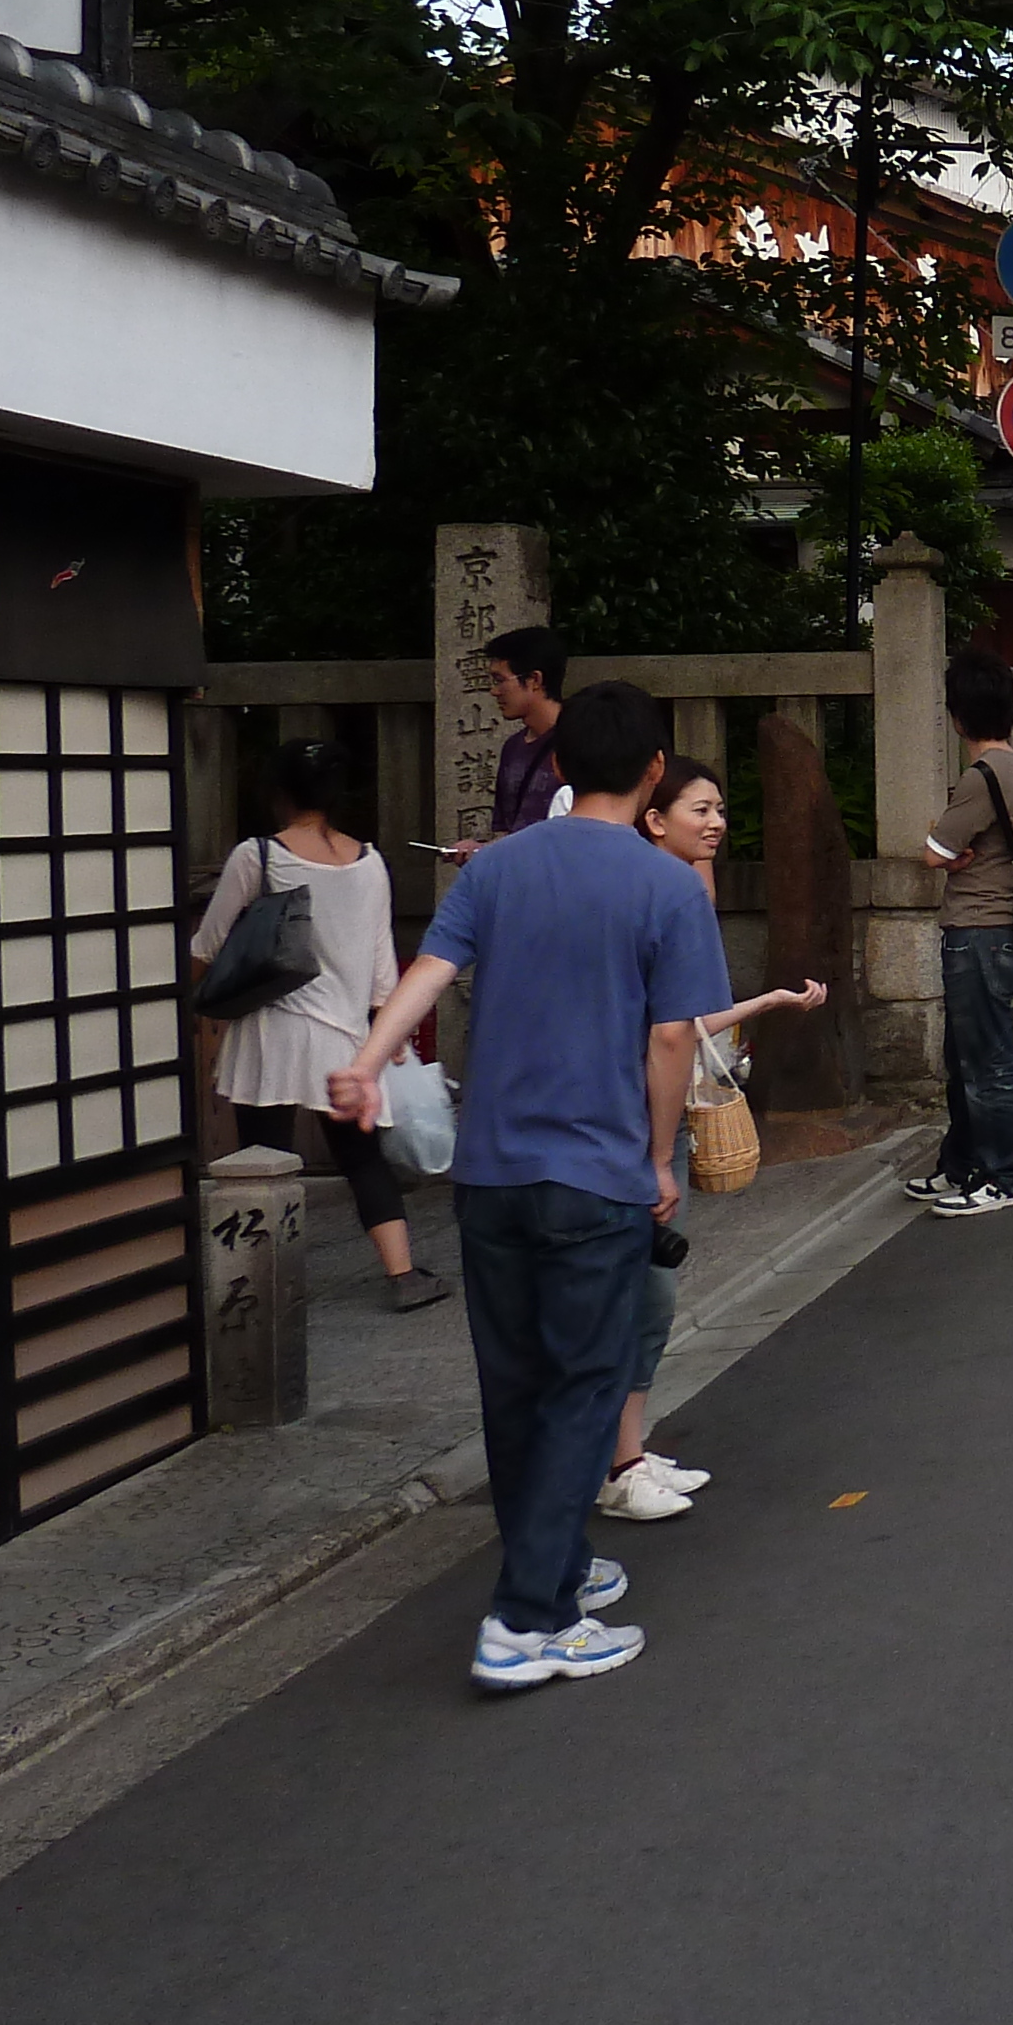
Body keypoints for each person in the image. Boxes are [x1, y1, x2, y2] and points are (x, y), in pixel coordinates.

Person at [331, 680, 727, 1692]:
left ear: (554, 765)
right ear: (652, 776)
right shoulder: (667, 887)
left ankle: (553, 1570)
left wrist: (368, 1062)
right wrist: (654, 1159)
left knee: (515, 1387)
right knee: (586, 1387)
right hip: (594, 1173)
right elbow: (673, 1034)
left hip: (492, 1169)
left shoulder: (498, 868)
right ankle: (528, 1622)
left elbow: (426, 970)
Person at [598, 756, 828, 1523]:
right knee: (641, 1292)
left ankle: (630, 1448)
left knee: (652, 1294)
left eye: (720, 809)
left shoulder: (683, 883)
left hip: (647, 1118)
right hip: (635, 1122)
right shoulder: (653, 892)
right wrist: (767, 1002)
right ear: (654, 819)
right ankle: (617, 1463)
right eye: (700, 810)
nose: (717, 823)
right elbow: (675, 1027)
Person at [188, 739, 446, 1311]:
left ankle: (263, 1283)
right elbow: (384, 972)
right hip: (348, 1042)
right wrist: (389, 1032)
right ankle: (403, 1275)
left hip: (270, 1033)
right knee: (361, 1160)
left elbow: (208, 944)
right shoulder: (371, 861)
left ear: (277, 792)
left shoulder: (259, 855)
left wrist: (195, 991)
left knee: (262, 1160)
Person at [908, 658, 1013, 1219]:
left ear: (958, 718)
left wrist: (948, 850)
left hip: (979, 929)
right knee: (967, 1056)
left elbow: (934, 852)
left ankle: (1002, 1175)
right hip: (996, 927)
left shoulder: (980, 777)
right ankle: (961, 1164)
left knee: (985, 1060)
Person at [480, 628, 567, 842]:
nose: (494, 691)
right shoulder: (512, 747)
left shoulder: (579, 741)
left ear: (534, 680)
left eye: (500, 680)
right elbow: (505, 829)